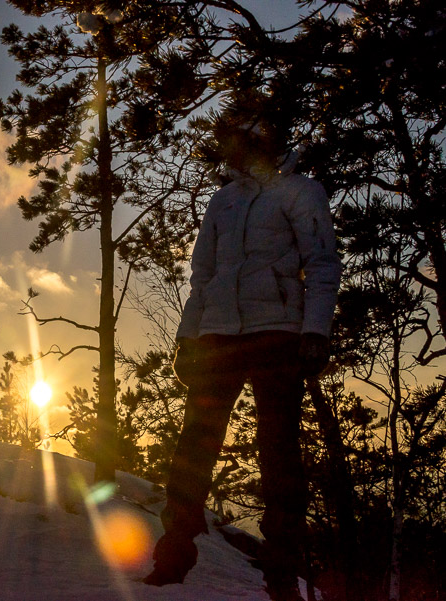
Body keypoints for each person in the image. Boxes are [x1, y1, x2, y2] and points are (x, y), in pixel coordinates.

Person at [143, 118, 341, 601]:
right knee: (195, 448)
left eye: (251, 140)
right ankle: (171, 562)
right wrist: (188, 337)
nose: (241, 148)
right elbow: (203, 274)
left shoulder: (300, 190)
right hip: (218, 336)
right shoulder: (224, 199)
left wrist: (315, 329)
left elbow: (321, 262)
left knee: (278, 455)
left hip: (277, 334)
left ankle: (281, 577)